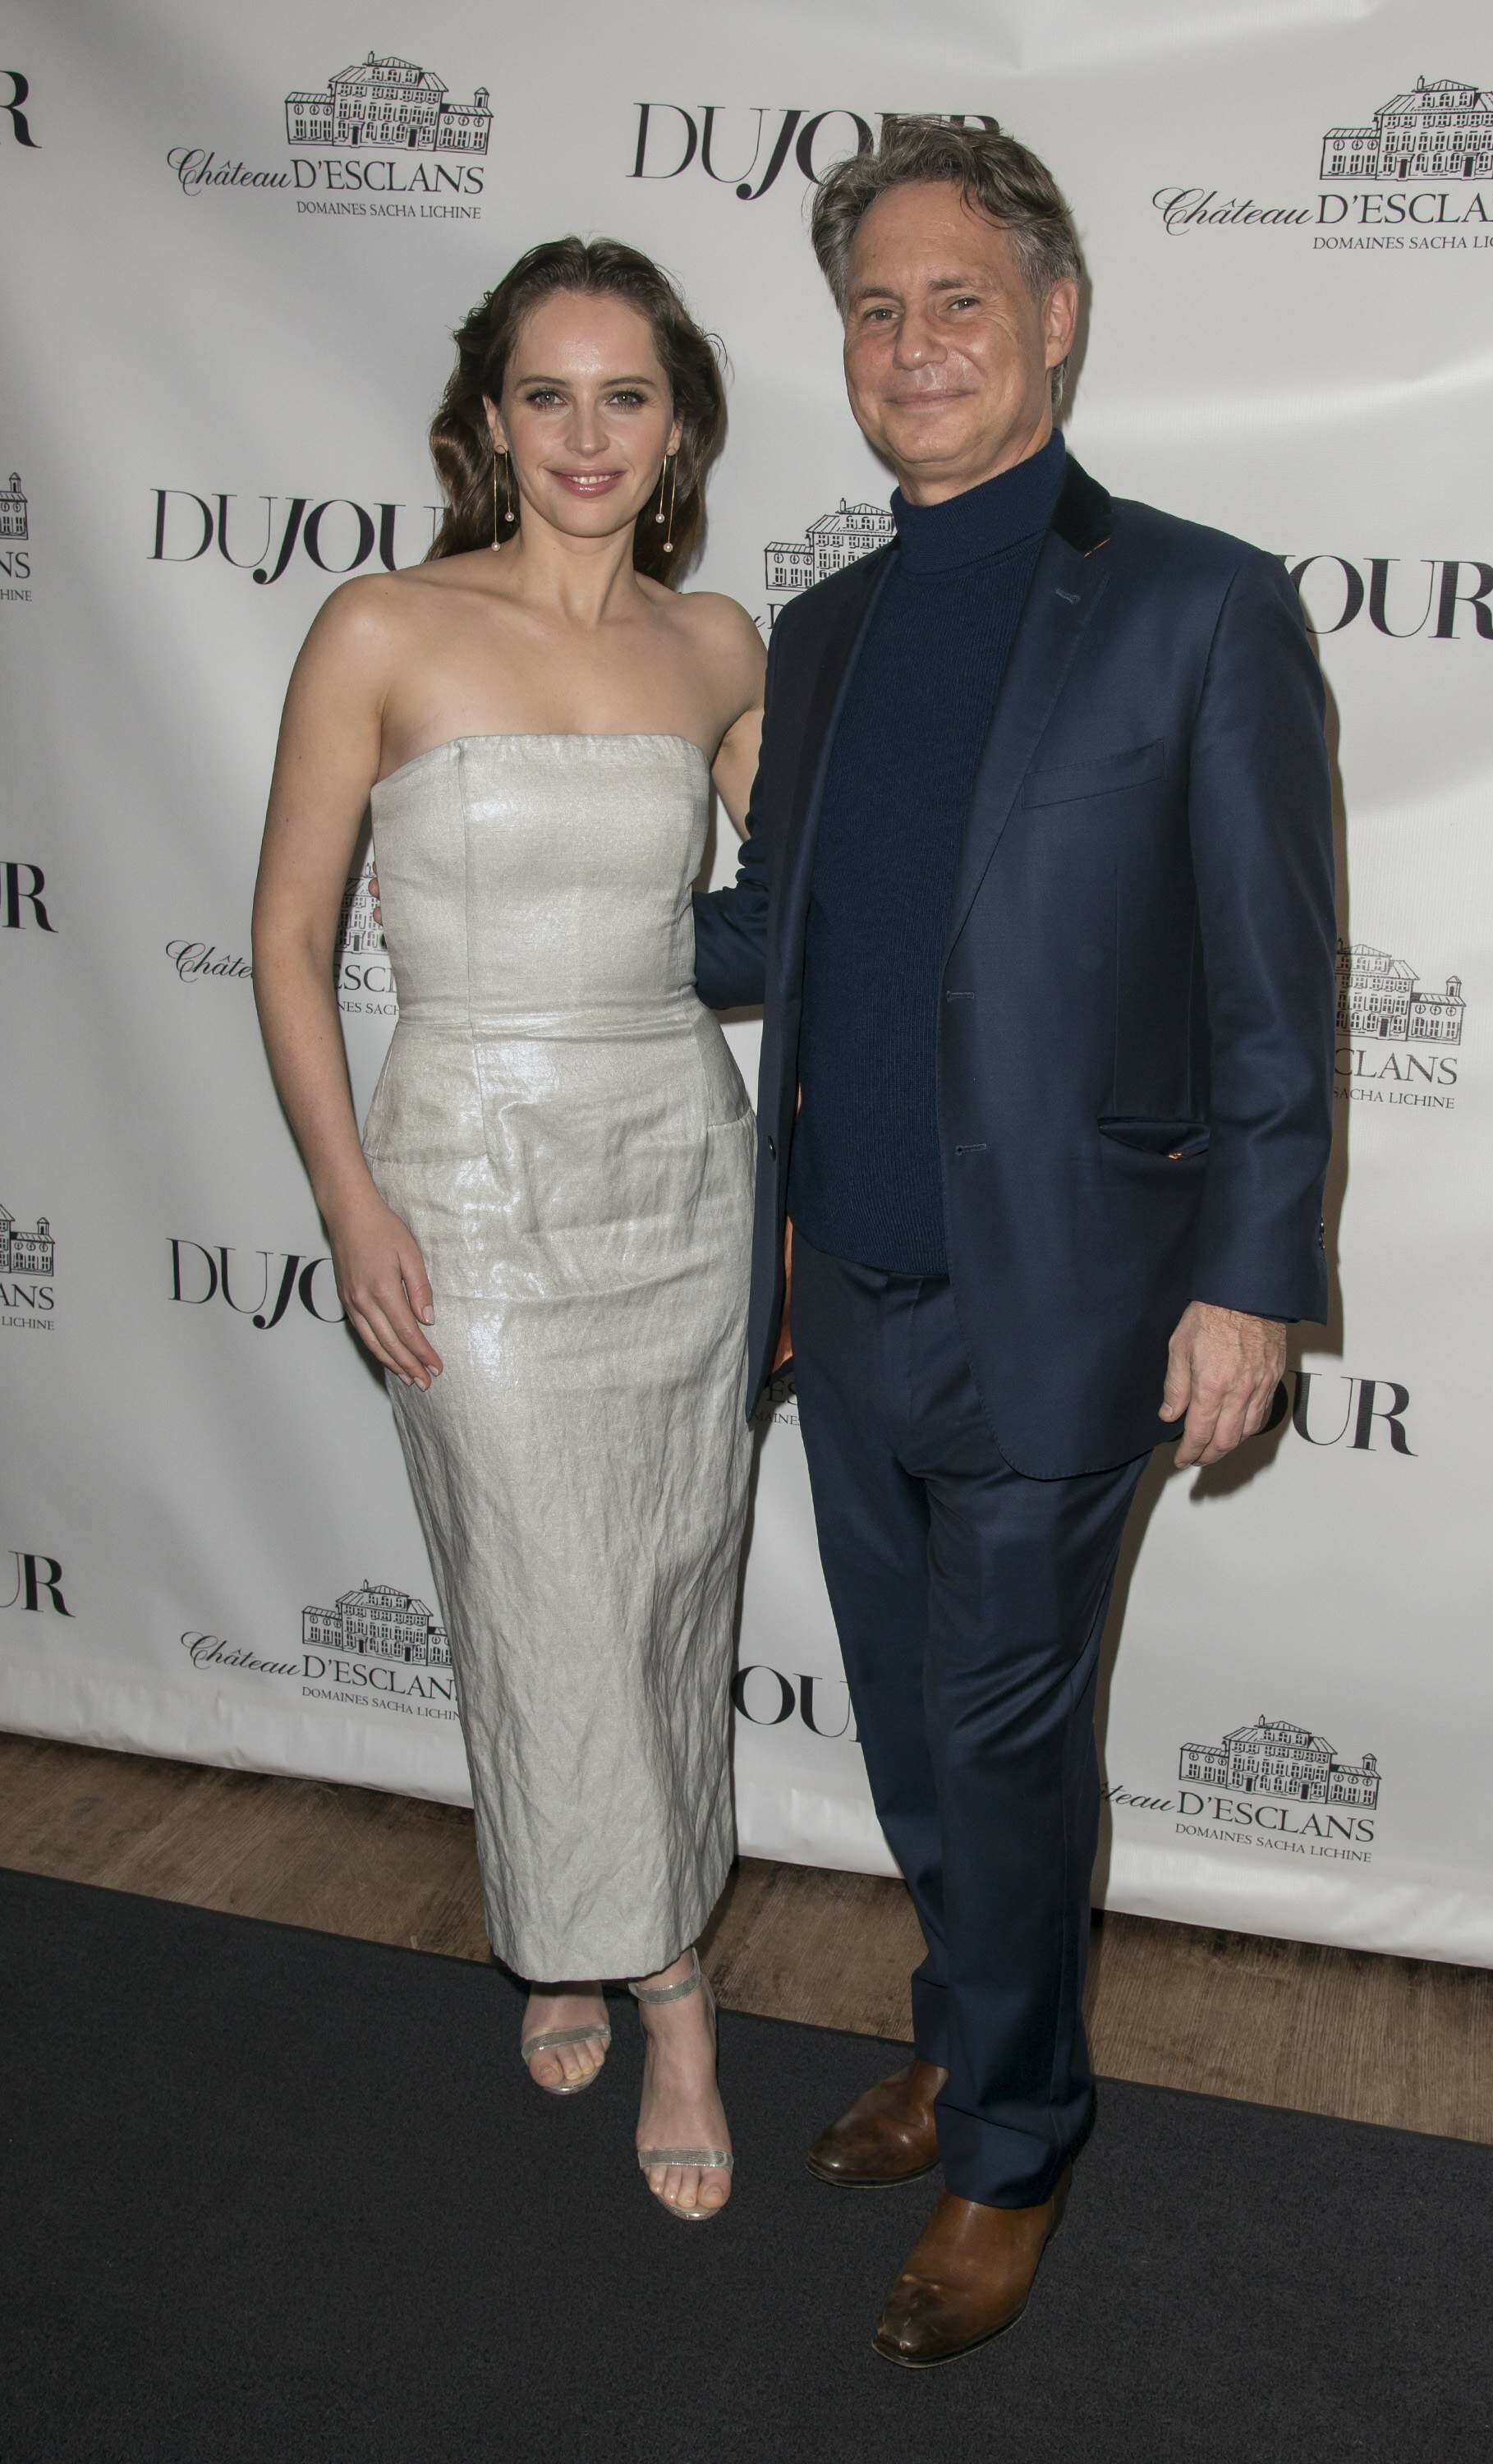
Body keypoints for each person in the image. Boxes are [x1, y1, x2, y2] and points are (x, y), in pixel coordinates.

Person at [693, 122, 1335, 2356]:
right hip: (844, 1296)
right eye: (875, 308)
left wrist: (1251, 1276)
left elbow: (1272, 989)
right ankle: (971, 2036)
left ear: (1056, 319)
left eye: (957, 298)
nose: (914, 343)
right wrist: (544, 894)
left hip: (1074, 1305)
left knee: (997, 1736)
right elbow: (773, 939)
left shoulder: (1198, 606)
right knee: (908, 1730)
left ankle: (1014, 2143)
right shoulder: (823, 630)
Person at [252, 239, 765, 2223]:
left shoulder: (717, 644)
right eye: (546, 394)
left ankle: (605, 1932)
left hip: (678, 1171)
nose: (585, 434)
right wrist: (349, 1201)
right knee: (540, 1583)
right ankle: (661, 1981)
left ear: (679, 425)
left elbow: (820, 907)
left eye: (625, 395)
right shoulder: (382, 624)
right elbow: (290, 943)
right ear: (487, 417)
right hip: (464, 1171)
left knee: (664, 1581)